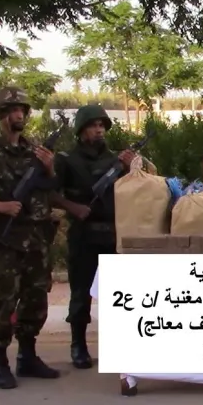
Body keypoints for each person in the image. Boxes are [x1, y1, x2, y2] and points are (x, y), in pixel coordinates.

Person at [0, 86, 61, 389]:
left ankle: (27, 357)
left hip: (36, 237)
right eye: (13, 110)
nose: (19, 115)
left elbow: (53, 188)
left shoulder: (36, 151)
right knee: (3, 301)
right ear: (1, 115)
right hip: (3, 239)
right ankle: (0, 362)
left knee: (35, 298)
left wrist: (49, 167)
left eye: (22, 110)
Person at [51, 104, 138, 369]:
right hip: (83, 235)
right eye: (93, 126)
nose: (99, 130)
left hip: (111, 234)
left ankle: (116, 347)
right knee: (81, 293)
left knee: (116, 295)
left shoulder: (115, 160)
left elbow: (132, 190)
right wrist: (73, 207)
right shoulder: (67, 159)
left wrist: (129, 168)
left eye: (102, 126)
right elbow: (51, 193)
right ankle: (78, 345)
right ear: (81, 130)